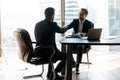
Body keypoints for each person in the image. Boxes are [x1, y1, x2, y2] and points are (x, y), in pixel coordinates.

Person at [34, 7, 67, 80]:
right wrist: (67, 27)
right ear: (52, 15)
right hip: (50, 52)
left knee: (51, 53)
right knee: (67, 56)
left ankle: (50, 73)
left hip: (38, 51)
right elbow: (62, 30)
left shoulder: (37, 24)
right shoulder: (52, 25)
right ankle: (54, 73)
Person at [67, 8, 94, 74]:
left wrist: (84, 34)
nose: (79, 15)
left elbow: (91, 34)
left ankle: (77, 66)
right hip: (74, 41)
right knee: (67, 46)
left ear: (86, 15)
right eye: (79, 14)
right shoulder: (75, 21)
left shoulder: (90, 24)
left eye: (81, 14)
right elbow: (68, 27)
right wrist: (63, 29)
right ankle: (73, 62)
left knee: (79, 47)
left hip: (84, 43)